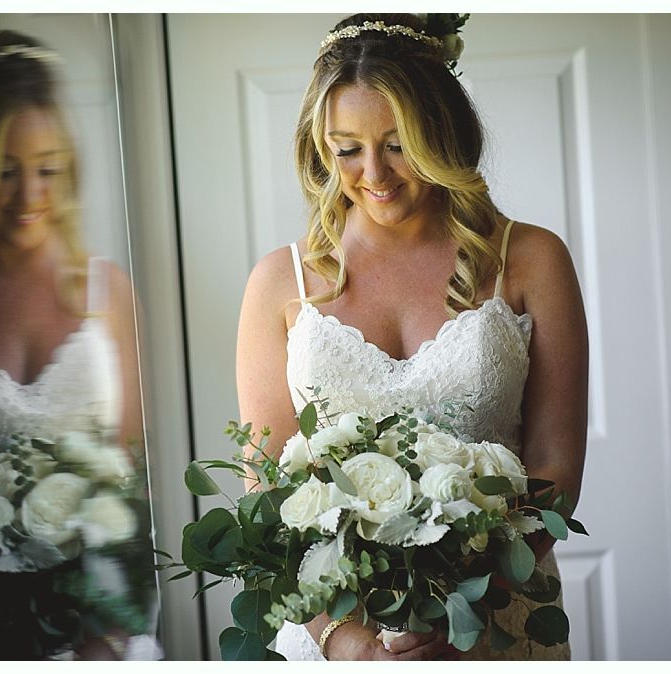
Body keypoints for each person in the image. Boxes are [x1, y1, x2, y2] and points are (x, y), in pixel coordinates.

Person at [236, 13, 588, 661]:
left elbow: (556, 468)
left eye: (399, 143)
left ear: (444, 134)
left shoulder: (532, 259)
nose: (375, 172)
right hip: (331, 628)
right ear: (321, 149)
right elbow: (266, 486)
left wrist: (462, 609)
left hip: (494, 615)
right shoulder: (278, 282)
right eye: (347, 148)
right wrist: (341, 640)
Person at [0, 30, 154, 659]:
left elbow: (129, 477)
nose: (30, 197)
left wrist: (111, 624)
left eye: (48, 169)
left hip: (91, 621)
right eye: (4, 172)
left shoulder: (106, 290)